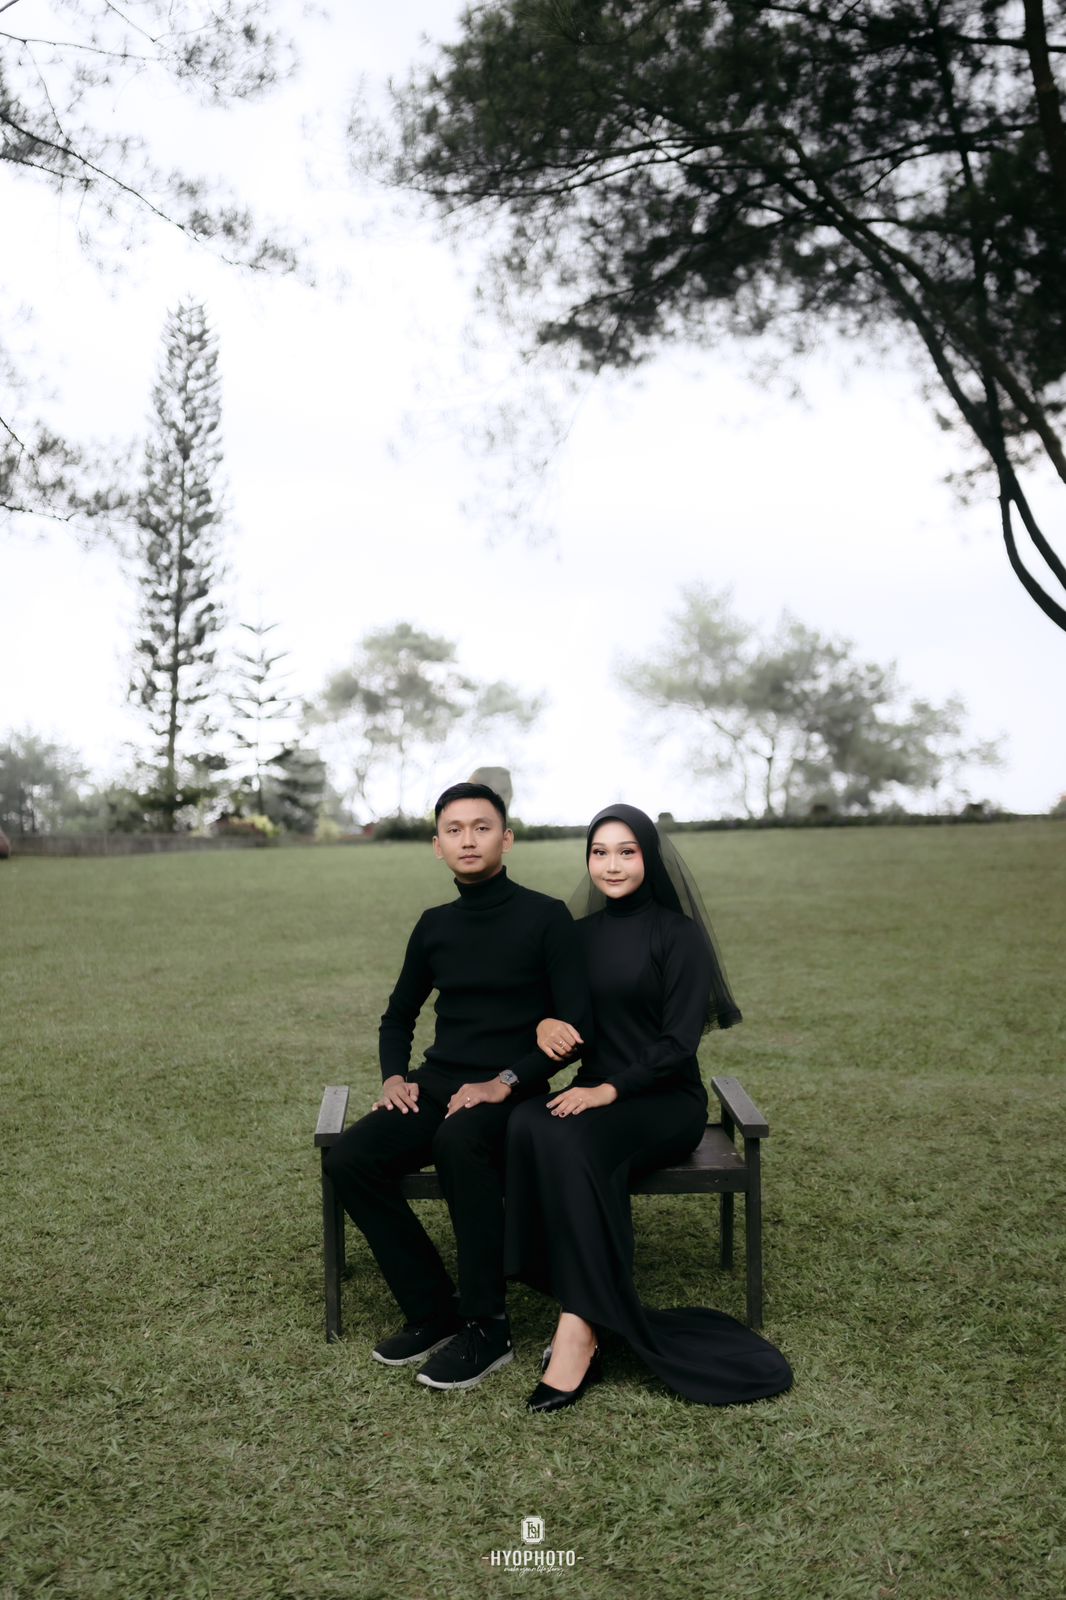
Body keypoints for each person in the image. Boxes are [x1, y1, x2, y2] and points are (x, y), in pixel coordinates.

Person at [505, 803, 793, 1412]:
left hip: (663, 1100)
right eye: (599, 852)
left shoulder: (677, 935)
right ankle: (584, 1303)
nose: (611, 865)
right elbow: (556, 1014)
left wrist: (608, 1091)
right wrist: (544, 1024)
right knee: (529, 1121)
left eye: (626, 851)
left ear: (649, 858)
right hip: (595, 1089)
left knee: (577, 1140)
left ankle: (579, 1330)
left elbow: (678, 1043)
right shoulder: (579, 935)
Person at [323, 782, 592, 1391]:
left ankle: (487, 1327)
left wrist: (504, 1081)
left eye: (481, 827)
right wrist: (395, 1077)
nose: (468, 839)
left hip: (515, 1090)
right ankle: (433, 1309)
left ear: (507, 839)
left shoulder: (546, 917)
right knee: (350, 1159)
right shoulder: (434, 925)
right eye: (454, 830)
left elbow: (576, 1029)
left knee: (458, 1142)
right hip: (439, 1081)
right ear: (438, 846)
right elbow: (398, 1016)